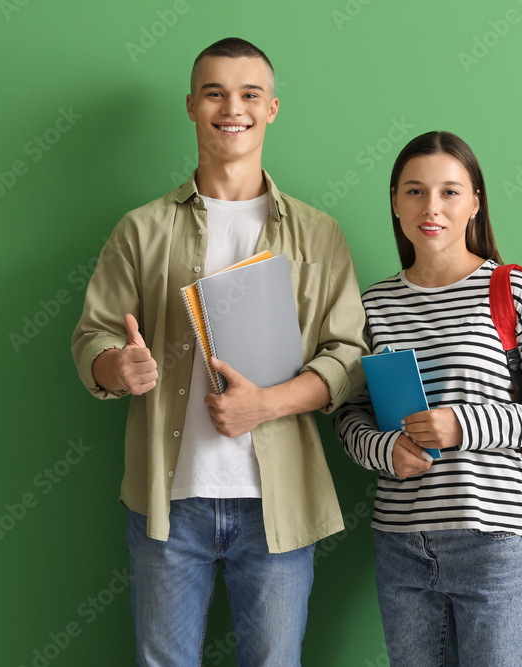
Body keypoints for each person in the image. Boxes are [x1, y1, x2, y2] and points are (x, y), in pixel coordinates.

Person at [71, 38, 367, 666]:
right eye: (215, 93)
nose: (232, 107)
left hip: (280, 505)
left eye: (249, 94)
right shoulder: (142, 228)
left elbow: (347, 357)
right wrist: (117, 367)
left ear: (272, 108)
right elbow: (93, 336)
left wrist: (265, 405)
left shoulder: (320, 233)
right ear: (191, 106)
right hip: (166, 505)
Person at [334, 131, 522, 666]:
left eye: (450, 192)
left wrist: (461, 426)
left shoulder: (513, 291)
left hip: (495, 544)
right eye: (415, 191)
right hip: (399, 545)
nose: (432, 207)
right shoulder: (372, 305)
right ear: (396, 202)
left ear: (475, 204)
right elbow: (349, 413)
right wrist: (384, 451)